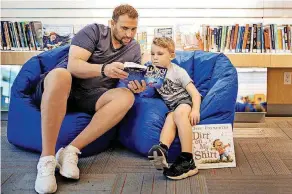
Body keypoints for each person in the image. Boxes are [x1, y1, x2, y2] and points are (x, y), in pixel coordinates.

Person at [34, 4, 146, 194]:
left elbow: (129, 79)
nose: (129, 34)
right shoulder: (94, 32)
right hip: (62, 86)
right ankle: (47, 159)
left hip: (92, 96)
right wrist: (104, 68)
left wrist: (137, 86)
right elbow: (73, 66)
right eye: (124, 28)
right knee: (61, 75)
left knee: (126, 97)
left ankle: (70, 151)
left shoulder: (134, 48)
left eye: (133, 29)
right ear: (112, 23)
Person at [147, 37, 201, 180]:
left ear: (171, 55)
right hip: (172, 107)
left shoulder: (178, 72)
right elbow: (147, 91)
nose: (155, 58)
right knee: (170, 118)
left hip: (184, 102)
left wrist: (195, 110)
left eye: (160, 54)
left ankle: (188, 159)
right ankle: (162, 149)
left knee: (178, 114)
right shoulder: (152, 72)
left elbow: (195, 94)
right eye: (152, 54)